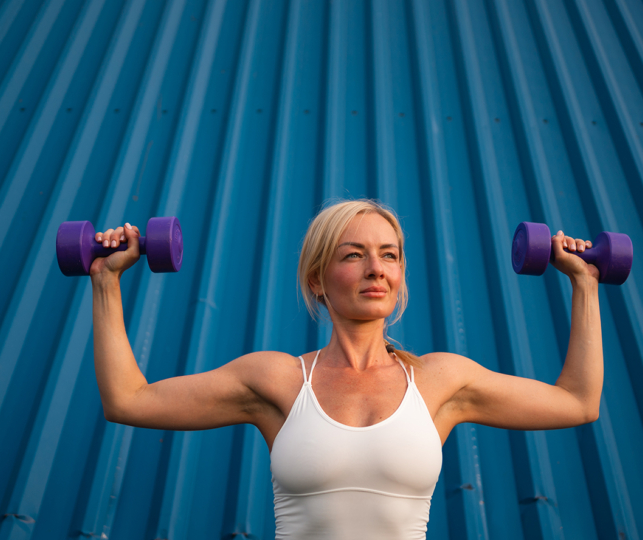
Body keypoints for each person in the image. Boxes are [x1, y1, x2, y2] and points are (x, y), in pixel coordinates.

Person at [90, 199, 602, 539]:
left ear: (400, 275)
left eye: (389, 255)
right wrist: (105, 283)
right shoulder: (276, 380)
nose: (376, 268)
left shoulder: (441, 380)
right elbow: (128, 400)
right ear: (317, 279)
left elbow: (578, 402)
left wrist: (585, 284)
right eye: (353, 255)